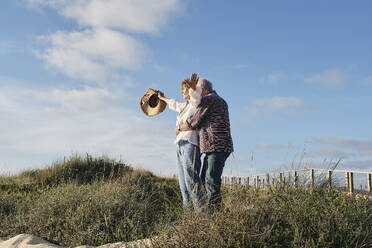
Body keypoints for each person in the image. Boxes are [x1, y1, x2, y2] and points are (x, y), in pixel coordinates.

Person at [179, 78, 233, 210]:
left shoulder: (209, 99)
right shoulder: (220, 100)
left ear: (202, 90)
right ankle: (212, 211)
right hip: (221, 146)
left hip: (216, 145)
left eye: (196, 89)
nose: (194, 93)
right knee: (206, 179)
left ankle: (215, 215)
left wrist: (179, 128)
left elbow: (194, 120)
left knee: (210, 181)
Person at [157, 74, 204, 212]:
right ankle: (188, 218)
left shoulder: (195, 104)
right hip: (180, 145)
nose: (181, 92)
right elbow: (173, 103)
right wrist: (161, 98)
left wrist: (193, 87)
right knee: (183, 184)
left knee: (191, 181)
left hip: (190, 144)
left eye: (183, 89)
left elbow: (196, 96)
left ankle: (202, 216)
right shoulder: (185, 106)